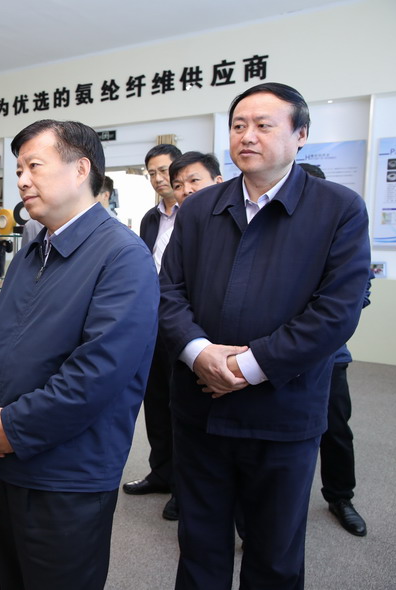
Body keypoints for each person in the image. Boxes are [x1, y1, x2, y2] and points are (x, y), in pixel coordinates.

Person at [159, 82, 370, 589]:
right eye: (238, 125)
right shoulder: (199, 208)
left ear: (301, 135)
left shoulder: (338, 208)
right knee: (199, 548)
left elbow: (336, 311)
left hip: (282, 413)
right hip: (200, 410)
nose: (247, 135)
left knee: (274, 555)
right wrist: (198, 353)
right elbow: (167, 293)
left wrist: (246, 367)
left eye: (263, 125)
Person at [0, 119, 158, 590]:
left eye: (34, 166)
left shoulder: (122, 256)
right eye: (19, 169)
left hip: (67, 475)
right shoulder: (34, 248)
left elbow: (96, 374)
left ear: (80, 169)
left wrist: (12, 427)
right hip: (1, 458)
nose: (22, 180)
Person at [298, 162, 369, 537]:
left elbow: (357, 293)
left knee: (336, 429)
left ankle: (341, 497)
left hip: (328, 355)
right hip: (270, 354)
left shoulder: (340, 230)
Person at [124, 144, 182, 521]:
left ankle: (184, 487)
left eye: (164, 170)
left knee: (182, 408)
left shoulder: (198, 213)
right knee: (156, 402)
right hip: (151, 323)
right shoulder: (150, 218)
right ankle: (161, 473)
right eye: (152, 173)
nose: (159, 179)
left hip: (183, 324)